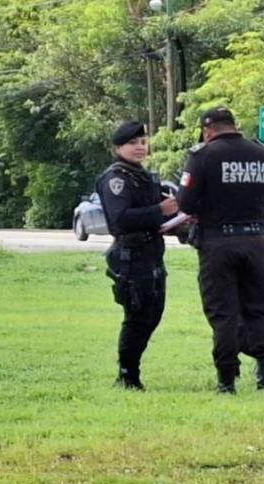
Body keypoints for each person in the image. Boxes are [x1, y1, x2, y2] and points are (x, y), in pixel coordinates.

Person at [178, 107, 264, 393]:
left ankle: (227, 381)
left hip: (217, 243)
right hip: (255, 241)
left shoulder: (202, 155)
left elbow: (185, 203)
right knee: (259, 309)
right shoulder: (261, 153)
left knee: (223, 313)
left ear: (207, 131)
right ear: (233, 125)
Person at [98, 121, 178, 390]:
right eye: (133, 143)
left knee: (152, 315)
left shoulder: (144, 176)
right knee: (137, 317)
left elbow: (157, 212)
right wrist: (160, 211)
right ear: (118, 147)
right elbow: (119, 220)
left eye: (143, 142)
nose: (140, 148)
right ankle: (127, 375)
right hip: (131, 255)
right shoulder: (116, 178)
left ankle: (131, 371)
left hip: (152, 252)